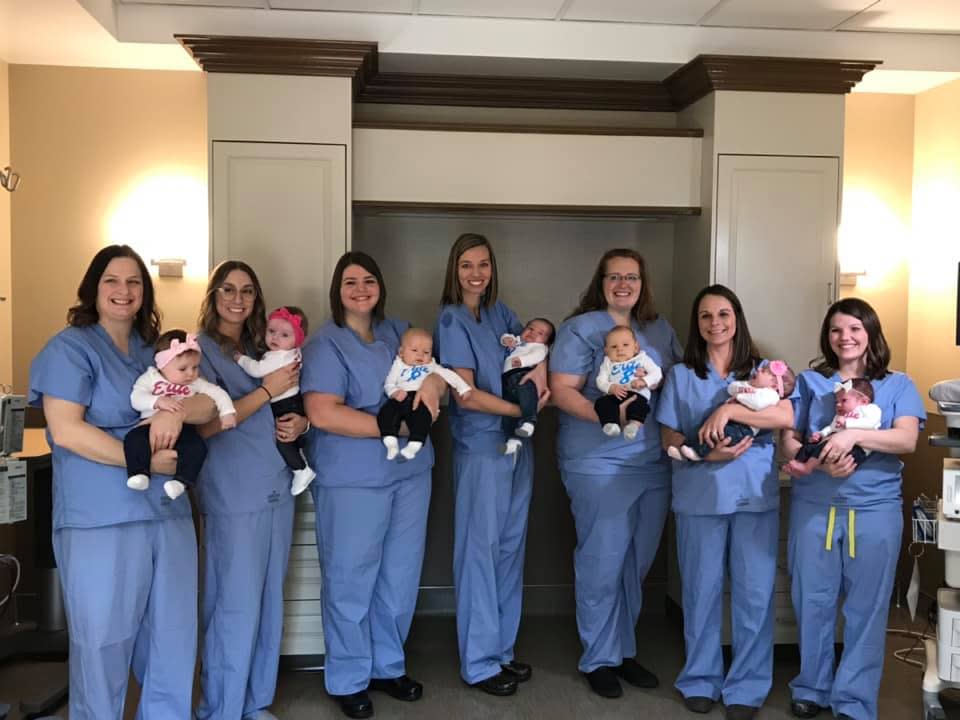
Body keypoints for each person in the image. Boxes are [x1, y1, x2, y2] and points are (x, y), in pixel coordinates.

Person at [28, 244, 215, 719]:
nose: (124, 291)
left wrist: (181, 411)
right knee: (102, 645)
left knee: (173, 641)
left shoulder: (156, 354)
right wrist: (149, 463)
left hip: (168, 515)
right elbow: (68, 431)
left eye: (134, 282)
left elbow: (207, 402)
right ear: (93, 287)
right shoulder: (69, 349)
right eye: (112, 280)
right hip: (100, 519)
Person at [302, 251, 444, 719]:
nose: (360, 289)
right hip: (352, 480)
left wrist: (430, 390)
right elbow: (323, 412)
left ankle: (387, 664)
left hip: (410, 476)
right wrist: (399, 429)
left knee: (399, 576)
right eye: (350, 282)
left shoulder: (396, 331)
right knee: (350, 579)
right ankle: (348, 675)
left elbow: (432, 371)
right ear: (337, 290)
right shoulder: (326, 344)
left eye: (368, 279)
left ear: (380, 285)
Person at [781, 298, 924, 720]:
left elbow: (906, 440)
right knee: (813, 601)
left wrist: (853, 440)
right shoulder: (809, 382)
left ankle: (854, 700)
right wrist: (821, 457)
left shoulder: (898, 384)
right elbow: (788, 442)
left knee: (867, 607)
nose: (845, 337)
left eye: (855, 329)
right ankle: (811, 688)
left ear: (871, 334)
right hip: (814, 508)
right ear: (827, 337)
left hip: (874, 510)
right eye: (836, 330)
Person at [656, 285, 794, 720]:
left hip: (754, 497)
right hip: (699, 498)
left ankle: (747, 687)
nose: (715, 323)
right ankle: (700, 678)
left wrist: (730, 412)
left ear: (737, 318)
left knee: (754, 595)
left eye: (723, 314)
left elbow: (785, 416)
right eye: (705, 317)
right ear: (696, 325)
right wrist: (708, 452)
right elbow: (668, 436)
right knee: (700, 592)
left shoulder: (765, 372)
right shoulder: (682, 375)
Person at [549, 248, 681, 699]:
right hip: (597, 461)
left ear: (643, 283)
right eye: (614, 277)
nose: (623, 284)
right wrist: (612, 413)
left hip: (652, 463)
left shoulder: (659, 329)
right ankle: (598, 657)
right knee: (602, 560)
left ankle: (623, 650)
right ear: (600, 281)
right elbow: (562, 391)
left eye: (632, 277)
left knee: (635, 563)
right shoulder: (580, 329)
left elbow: (678, 381)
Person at [433, 233, 549, 697]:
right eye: (466, 265)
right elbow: (466, 394)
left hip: (518, 448)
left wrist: (535, 391)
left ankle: (501, 649)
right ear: (453, 269)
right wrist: (521, 410)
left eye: (483, 264)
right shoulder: (450, 320)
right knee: (479, 552)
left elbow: (529, 359)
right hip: (481, 448)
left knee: (509, 549)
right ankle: (479, 662)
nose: (475, 273)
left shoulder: (501, 314)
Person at [194, 260, 305, 720]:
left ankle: (255, 702)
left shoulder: (267, 345)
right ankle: (221, 707)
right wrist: (265, 392)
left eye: (246, 291)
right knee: (232, 603)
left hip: (275, 483)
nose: (237, 299)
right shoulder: (198, 350)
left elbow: (293, 402)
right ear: (213, 296)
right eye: (227, 290)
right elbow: (200, 426)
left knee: (267, 599)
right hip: (231, 491)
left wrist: (303, 421)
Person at [126, 329, 237, 499]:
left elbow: (217, 393)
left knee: (197, 448)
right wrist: (156, 401)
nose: (191, 373)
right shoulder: (150, 378)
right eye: (183, 368)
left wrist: (227, 412)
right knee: (133, 439)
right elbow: (136, 398)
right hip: (149, 425)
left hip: (184, 428)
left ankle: (181, 481)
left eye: (195, 367)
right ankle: (139, 473)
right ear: (162, 365)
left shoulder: (195, 382)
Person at [236, 305, 316, 495]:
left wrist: (239, 358)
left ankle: (301, 470)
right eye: (271, 331)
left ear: (297, 339)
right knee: (290, 437)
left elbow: (256, 369)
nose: (275, 338)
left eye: (284, 335)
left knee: (283, 440)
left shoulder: (278, 357)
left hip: (283, 404)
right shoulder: (293, 353)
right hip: (294, 402)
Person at [668, 358, 795, 462]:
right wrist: (743, 388)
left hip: (743, 429)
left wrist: (730, 408)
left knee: (721, 435)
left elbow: (759, 404)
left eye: (765, 371)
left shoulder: (770, 395)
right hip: (733, 425)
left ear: (774, 385)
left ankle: (696, 454)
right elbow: (731, 388)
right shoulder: (752, 386)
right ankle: (689, 449)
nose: (759, 369)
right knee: (709, 431)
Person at [378, 326, 472, 461]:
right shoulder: (399, 365)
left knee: (423, 418)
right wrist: (394, 392)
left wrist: (463, 388)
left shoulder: (431, 366)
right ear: (401, 352)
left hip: (421, 398)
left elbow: (449, 375)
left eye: (426, 352)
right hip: (401, 396)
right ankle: (391, 442)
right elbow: (389, 383)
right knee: (387, 413)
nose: (420, 355)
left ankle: (414, 445)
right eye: (414, 350)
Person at [786, 377, 881, 474]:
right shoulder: (840, 416)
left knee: (823, 447)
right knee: (809, 446)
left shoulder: (870, 409)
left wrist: (847, 423)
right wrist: (821, 434)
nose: (838, 405)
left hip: (857, 448)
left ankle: (807, 467)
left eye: (844, 400)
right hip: (832, 444)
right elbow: (831, 428)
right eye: (837, 402)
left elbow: (871, 424)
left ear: (864, 401)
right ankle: (796, 463)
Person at [594, 324, 663, 439]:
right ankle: (611, 424)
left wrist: (644, 381)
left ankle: (633, 426)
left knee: (641, 407)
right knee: (601, 403)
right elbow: (600, 380)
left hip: (637, 393)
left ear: (636, 347)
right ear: (606, 351)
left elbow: (657, 373)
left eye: (625, 345)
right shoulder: (608, 363)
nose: (620, 349)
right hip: (615, 394)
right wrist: (611, 387)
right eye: (614, 347)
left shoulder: (642, 359)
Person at [499, 317, 554, 454]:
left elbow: (537, 356)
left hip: (523, 373)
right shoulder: (518, 342)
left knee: (526, 390)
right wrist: (506, 340)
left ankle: (530, 421)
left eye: (540, 333)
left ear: (547, 342)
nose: (533, 333)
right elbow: (505, 337)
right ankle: (513, 440)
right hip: (507, 379)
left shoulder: (540, 347)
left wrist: (522, 361)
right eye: (530, 328)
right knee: (506, 415)